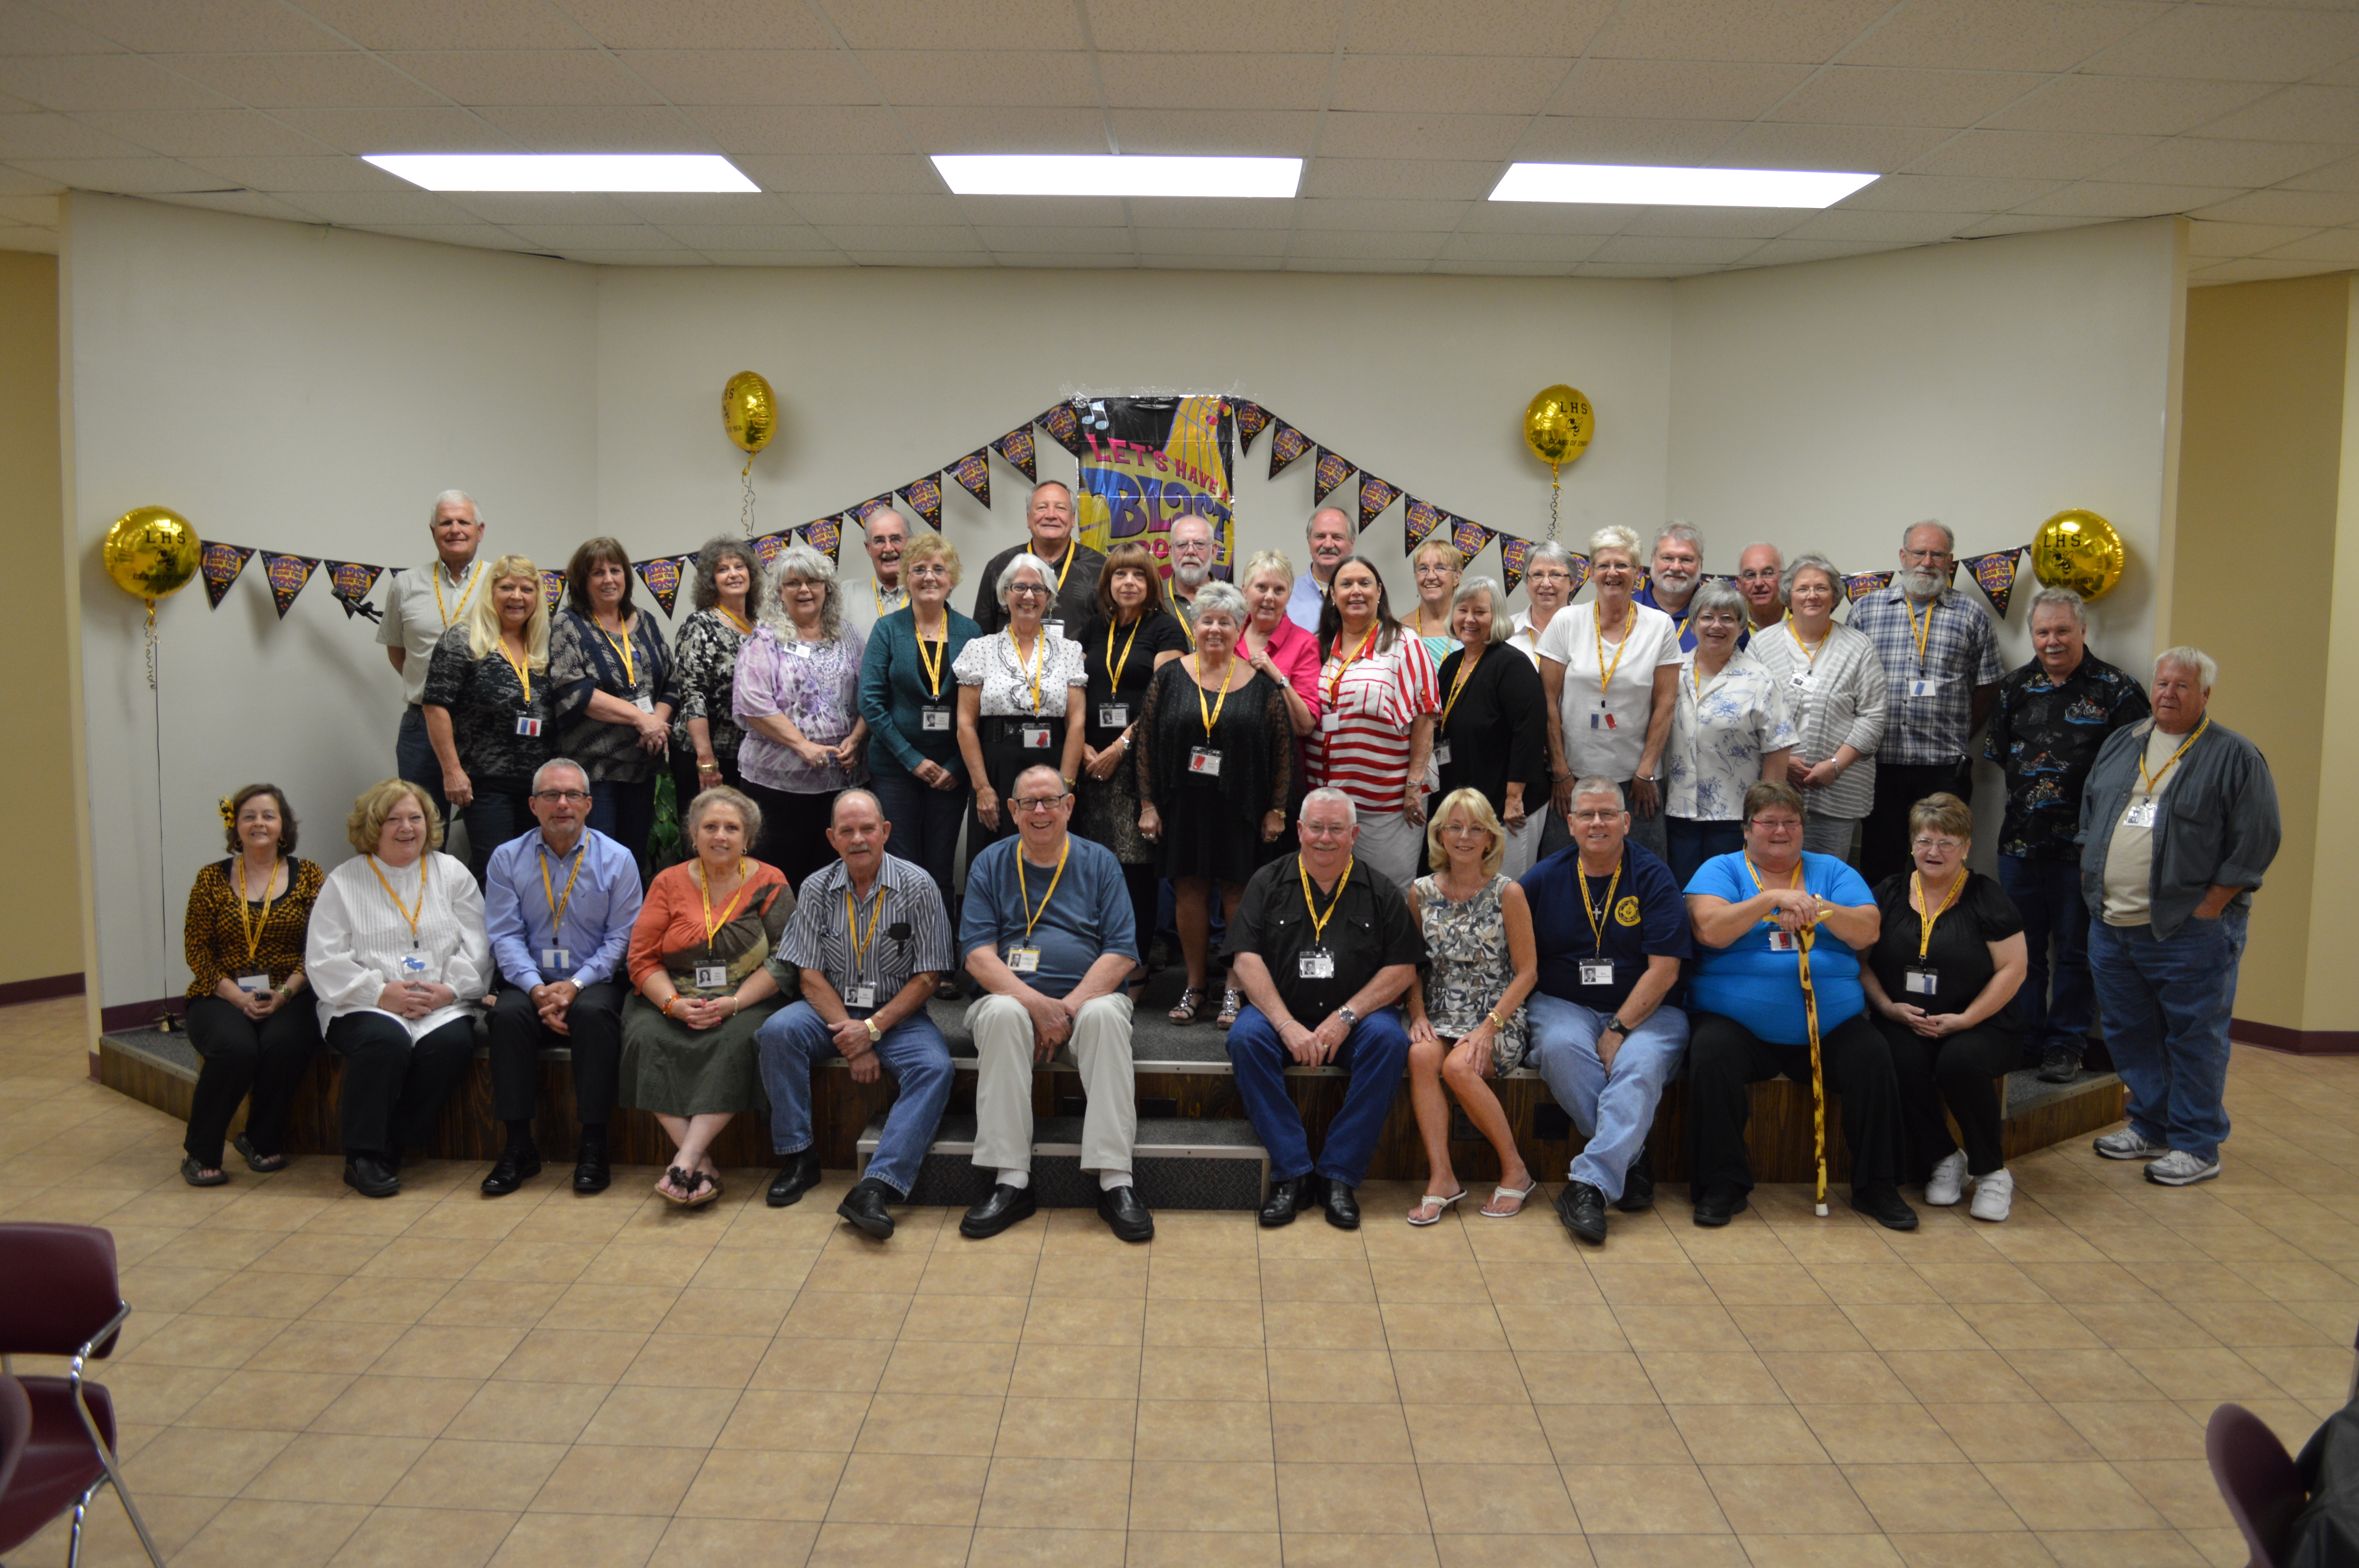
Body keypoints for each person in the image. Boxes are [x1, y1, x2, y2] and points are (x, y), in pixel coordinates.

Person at [2083, 647, 2281, 1188]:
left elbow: (2258, 839)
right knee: (2129, 1030)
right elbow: (2092, 812)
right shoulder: (2123, 744)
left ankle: (2197, 1143)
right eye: (2162, 683)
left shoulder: (2235, 756)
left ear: (2205, 696)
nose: (2168, 693)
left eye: (2182, 686)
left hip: (2188, 929)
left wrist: (2213, 902)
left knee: (2194, 1035)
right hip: (2112, 924)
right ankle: (2151, 1125)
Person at [1683, 780, 1915, 1230]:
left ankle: (1878, 1186)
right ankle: (1722, 1184)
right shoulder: (1720, 870)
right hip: (1737, 1025)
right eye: (1768, 822)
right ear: (1746, 829)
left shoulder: (1831, 870)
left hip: (1830, 1025)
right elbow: (1710, 930)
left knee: (1874, 1058)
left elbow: (1867, 931)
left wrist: (1815, 906)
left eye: (1790, 822)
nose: (1780, 831)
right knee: (1710, 1056)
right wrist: (1771, 900)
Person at [957, 765, 1150, 1243]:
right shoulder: (989, 863)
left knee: (1106, 1015)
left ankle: (1115, 1180)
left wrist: (1065, 1008)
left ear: (1069, 806)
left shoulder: (1100, 861)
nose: (1039, 811)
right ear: (1012, 811)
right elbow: (978, 957)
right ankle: (1010, 1179)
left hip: (1088, 1001)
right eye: (1028, 803)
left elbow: (1122, 951)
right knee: (1001, 1014)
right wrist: (1033, 1003)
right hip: (1010, 997)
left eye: (1050, 801)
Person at [757, 790, 955, 1238]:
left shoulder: (919, 885)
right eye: (847, 830)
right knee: (776, 1033)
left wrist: (871, 1029)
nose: (858, 838)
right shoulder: (814, 888)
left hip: (897, 1018)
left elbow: (929, 977)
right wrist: (852, 1035)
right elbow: (807, 974)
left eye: (867, 828)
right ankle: (799, 1156)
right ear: (832, 838)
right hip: (831, 1012)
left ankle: (877, 1185)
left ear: (885, 832)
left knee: (935, 1068)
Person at [1225, 788, 1423, 1229]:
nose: (1325, 838)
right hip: (1281, 1012)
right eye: (1316, 827)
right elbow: (1245, 958)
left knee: (1390, 1041)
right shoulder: (1266, 882)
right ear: (1299, 830)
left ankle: (1338, 1175)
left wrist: (1346, 1016)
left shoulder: (1380, 890)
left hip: (1358, 1018)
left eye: (1336, 829)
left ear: (1354, 834)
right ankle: (1293, 1172)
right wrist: (1285, 1024)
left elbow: (1403, 968)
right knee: (1244, 1038)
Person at [1984, 586, 2149, 1083]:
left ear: (2082, 630)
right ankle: (2027, 1039)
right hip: (2019, 845)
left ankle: (2066, 1044)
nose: (2051, 640)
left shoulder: (2117, 690)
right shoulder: (2014, 687)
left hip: (2086, 851)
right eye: (2042, 632)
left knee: (2077, 952)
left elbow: (2140, 770)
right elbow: (1998, 752)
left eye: (2061, 630)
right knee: (2023, 950)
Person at [1522, 779, 1692, 1246]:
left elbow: (1666, 970)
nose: (1598, 823)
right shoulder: (1541, 878)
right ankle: (1629, 1159)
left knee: (1640, 1067)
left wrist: (1619, 1028)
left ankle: (1588, 1185)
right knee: (1560, 1050)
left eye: (1608, 814)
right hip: (1564, 1004)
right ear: (1570, 823)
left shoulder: (1654, 877)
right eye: (1587, 815)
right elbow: (1514, 951)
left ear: (1626, 822)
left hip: (1648, 1008)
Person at [305, 779, 492, 1199]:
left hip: (439, 1001)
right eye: (394, 820)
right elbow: (323, 958)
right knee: (384, 1042)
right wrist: (379, 993)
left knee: (452, 1046)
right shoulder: (344, 881)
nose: (407, 828)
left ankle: (394, 1145)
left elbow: (478, 943)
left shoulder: (450, 872)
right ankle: (361, 1157)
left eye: (415, 818)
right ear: (373, 826)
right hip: (362, 1002)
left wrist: (449, 989)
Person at [478, 759, 643, 1199]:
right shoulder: (506, 859)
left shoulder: (618, 859)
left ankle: (593, 1143)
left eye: (572, 795)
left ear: (589, 805)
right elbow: (505, 935)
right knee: (508, 1018)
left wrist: (576, 985)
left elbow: (621, 941)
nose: (562, 804)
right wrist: (536, 989)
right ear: (533, 805)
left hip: (595, 978)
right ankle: (518, 1146)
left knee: (594, 1015)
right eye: (551, 795)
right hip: (529, 979)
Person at [620, 786, 792, 1205]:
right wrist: (672, 1005)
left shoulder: (771, 881)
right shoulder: (669, 881)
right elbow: (641, 958)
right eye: (710, 827)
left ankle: (688, 1160)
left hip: (746, 999)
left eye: (731, 828)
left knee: (736, 1041)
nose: (720, 836)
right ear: (693, 835)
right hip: (672, 996)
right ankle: (701, 1166)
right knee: (646, 1038)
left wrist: (734, 1003)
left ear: (746, 838)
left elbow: (786, 961)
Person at [1859, 793, 2028, 1222]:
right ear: (1912, 844)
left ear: (1966, 848)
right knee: (1890, 1056)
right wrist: (1887, 1007)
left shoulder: (1986, 897)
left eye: (1947, 843)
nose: (1934, 852)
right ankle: (1942, 1156)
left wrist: (1966, 1019)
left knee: (1959, 1061)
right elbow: (1858, 963)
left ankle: (1991, 1171)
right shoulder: (1887, 893)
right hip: (1903, 1018)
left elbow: (2014, 968)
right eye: (1925, 841)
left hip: (1979, 1023)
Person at [1137, 581, 1292, 1028]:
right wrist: (1148, 804)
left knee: (1237, 895)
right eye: (1207, 620)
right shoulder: (1168, 676)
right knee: (1188, 891)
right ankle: (1194, 984)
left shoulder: (1260, 683)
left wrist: (1277, 809)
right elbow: (1145, 741)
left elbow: (1282, 749)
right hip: (1182, 804)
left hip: (1241, 806)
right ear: (1194, 624)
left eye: (1225, 621)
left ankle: (1234, 987)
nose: (1215, 629)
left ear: (1240, 625)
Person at [178, 785, 324, 1186]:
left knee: (285, 1044)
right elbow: (197, 950)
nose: (259, 823)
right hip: (220, 993)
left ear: (283, 826)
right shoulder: (210, 878)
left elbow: (320, 946)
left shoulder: (309, 874)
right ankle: (200, 1151)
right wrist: (237, 996)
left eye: (269, 815)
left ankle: (260, 1139)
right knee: (234, 1049)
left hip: (291, 991)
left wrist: (284, 995)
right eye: (250, 816)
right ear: (236, 827)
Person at [1404, 789, 1539, 1224]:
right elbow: (1412, 967)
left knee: (1458, 1067)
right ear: (1439, 835)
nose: (1464, 836)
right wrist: (1418, 1014)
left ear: (1490, 838)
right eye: (1454, 827)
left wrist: (1488, 1027)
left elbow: (1528, 972)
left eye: (1476, 828)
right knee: (1422, 1054)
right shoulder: (1420, 892)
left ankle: (1515, 1170)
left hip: (1496, 1016)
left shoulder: (1508, 892)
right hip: (1439, 1012)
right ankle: (1442, 1177)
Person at [1850, 521, 2003, 887]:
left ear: (1951, 562)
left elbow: (1988, 686)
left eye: (1938, 554)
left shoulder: (1972, 615)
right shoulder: (1865, 612)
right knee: (1879, 868)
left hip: (1942, 769)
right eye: (1919, 552)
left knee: (1941, 867)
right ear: (1903, 557)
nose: (1927, 562)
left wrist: (1958, 734)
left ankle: (1938, 943)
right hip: (1878, 766)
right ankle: (1881, 942)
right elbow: (1846, 685)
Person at [858, 530, 978, 982]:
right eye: (919, 569)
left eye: (938, 569)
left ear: (952, 579)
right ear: (906, 578)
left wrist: (951, 766)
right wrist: (913, 760)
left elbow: (978, 708)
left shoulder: (970, 632)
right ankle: (904, 963)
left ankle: (941, 961)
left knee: (942, 869)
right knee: (902, 869)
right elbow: (871, 701)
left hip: (952, 771)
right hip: (896, 770)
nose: (929, 577)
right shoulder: (888, 629)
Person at [1075, 541, 1188, 993]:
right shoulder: (1091, 629)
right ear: (1108, 583)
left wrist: (1120, 745)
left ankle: (1136, 963)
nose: (1128, 583)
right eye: (1120, 575)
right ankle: (1096, 961)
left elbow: (1164, 700)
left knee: (1135, 869)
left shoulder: (1166, 629)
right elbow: (1073, 689)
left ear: (1150, 584)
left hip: (1137, 762)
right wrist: (1082, 744)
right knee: (1093, 867)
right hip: (1088, 763)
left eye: (1138, 575)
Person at [1538, 525, 1681, 862]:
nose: (1612, 573)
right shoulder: (1566, 621)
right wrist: (1560, 771)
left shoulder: (1659, 626)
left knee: (1642, 874)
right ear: (1591, 573)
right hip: (1572, 783)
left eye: (1622, 565)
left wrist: (1646, 772)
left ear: (1638, 573)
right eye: (1603, 565)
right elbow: (1547, 701)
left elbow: (1665, 704)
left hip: (1638, 784)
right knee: (1566, 874)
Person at [733, 543, 868, 891]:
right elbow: (753, 704)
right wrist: (802, 745)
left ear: (828, 588)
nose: (804, 590)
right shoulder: (765, 639)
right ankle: (786, 945)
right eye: (793, 583)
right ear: (780, 592)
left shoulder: (850, 636)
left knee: (834, 877)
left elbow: (872, 693)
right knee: (782, 875)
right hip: (777, 786)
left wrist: (857, 738)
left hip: (841, 780)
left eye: (813, 581)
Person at [422, 552, 553, 885]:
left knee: (533, 872)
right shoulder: (463, 639)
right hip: (485, 782)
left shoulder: (543, 645)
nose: (517, 597)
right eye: (507, 588)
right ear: (491, 593)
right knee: (495, 868)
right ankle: (484, 938)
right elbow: (435, 706)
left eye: (527, 589)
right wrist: (453, 772)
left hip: (538, 786)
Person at [549, 536, 674, 882]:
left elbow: (672, 683)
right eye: (597, 573)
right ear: (582, 581)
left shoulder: (646, 621)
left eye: (615, 570)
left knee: (633, 862)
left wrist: (656, 723)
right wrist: (641, 719)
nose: (608, 579)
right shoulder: (568, 625)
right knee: (596, 864)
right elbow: (574, 690)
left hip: (642, 765)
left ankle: (632, 935)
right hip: (595, 769)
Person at [1309, 554, 1438, 887]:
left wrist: (1413, 786)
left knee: (1387, 891)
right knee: (1335, 891)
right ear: (1333, 596)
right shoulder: (1321, 645)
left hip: (1387, 804)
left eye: (1365, 583)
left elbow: (1425, 716)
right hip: (1330, 804)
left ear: (1379, 592)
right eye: (1346, 584)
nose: (1356, 591)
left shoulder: (1403, 643)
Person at [1747, 553, 1885, 864]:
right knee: (1771, 872)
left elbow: (1873, 716)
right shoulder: (1761, 646)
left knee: (1825, 881)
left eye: (1821, 588)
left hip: (1838, 790)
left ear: (1835, 596)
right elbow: (1749, 714)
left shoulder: (1859, 647)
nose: (1812, 596)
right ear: (1788, 596)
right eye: (1803, 588)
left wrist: (1835, 765)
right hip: (1775, 786)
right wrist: (1784, 761)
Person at [1662, 580, 1797, 885]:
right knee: (1680, 892)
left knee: (1726, 893)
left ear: (1740, 627)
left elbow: (1778, 750)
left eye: (1728, 618)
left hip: (1735, 816)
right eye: (1708, 617)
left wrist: (1765, 815)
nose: (1716, 626)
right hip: (1677, 812)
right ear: (1693, 624)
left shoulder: (1761, 680)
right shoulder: (1672, 672)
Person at [956, 553, 1089, 853]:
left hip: (1053, 762)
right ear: (1006, 594)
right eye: (1020, 587)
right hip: (997, 766)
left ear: (1049, 597)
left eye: (1038, 589)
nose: (1029, 596)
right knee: (997, 854)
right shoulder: (980, 650)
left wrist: (1065, 785)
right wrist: (982, 787)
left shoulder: (1070, 651)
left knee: (1051, 851)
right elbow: (965, 724)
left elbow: (1077, 723)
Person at [380, 489, 488, 822]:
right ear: (433, 532)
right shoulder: (405, 584)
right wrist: (433, 691)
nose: (455, 529)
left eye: (463, 522)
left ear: (480, 530)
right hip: (421, 725)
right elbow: (399, 653)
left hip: (486, 725)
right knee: (421, 827)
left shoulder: (503, 582)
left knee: (491, 830)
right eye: (445, 523)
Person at [1433, 577, 1548, 877]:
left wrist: (1514, 798)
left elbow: (1530, 732)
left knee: (1506, 890)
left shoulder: (1513, 664)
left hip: (1508, 807)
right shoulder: (1451, 665)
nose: (1469, 619)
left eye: (1480, 612)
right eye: (1462, 610)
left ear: (1496, 617)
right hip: (1464, 803)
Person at [671, 536, 766, 814]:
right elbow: (692, 696)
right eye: (723, 569)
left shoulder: (761, 627)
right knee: (705, 835)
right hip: (704, 756)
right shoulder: (700, 625)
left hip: (749, 756)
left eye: (740, 566)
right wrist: (706, 761)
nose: (734, 574)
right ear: (711, 581)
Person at [972, 481, 1105, 639]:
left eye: (1061, 508)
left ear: (1073, 519)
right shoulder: (1000, 567)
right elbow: (982, 634)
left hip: (1078, 663)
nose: (1051, 515)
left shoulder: (1100, 568)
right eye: (1042, 508)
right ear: (1029, 518)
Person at [1633, 521, 1706, 651]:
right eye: (1667, 558)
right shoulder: (1625, 610)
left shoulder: (1721, 617)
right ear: (1652, 560)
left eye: (1686, 560)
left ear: (1701, 565)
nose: (1676, 567)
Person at [1509, 541, 1579, 666]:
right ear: (1527, 582)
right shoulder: (1506, 632)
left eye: (1556, 575)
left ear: (1573, 583)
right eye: (1538, 575)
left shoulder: (1591, 630)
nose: (1546, 584)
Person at [1287, 506, 1354, 633]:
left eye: (1337, 537)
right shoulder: (1287, 596)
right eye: (1320, 537)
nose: (1328, 544)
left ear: (1352, 544)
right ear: (1309, 542)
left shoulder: (1367, 595)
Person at [849, 504, 910, 635]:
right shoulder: (844, 596)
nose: (888, 549)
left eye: (895, 539)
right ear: (868, 549)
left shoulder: (932, 595)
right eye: (879, 541)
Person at [1402, 539, 1464, 665]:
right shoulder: (1400, 630)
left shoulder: (1470, 627)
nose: (1431, 577)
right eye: (1423, 569)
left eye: (1440, 568)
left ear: (1457, 577)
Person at [1164, 512, 1217, 639]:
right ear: (1171, 552)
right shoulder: (1152, 597)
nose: (1191, 552)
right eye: (1182, 545)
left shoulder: (1234, 601)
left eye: (1199, 544)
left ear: (1214, 552)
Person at [1736, 542, 1784, 638]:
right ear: (1739, 584)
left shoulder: (1802, 620)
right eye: (1750, 575)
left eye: (1768, 573)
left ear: (1784, 578)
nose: (1759, 583)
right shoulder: (1730, 624)